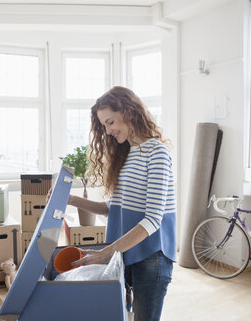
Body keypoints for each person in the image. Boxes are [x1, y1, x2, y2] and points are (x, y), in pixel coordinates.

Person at [68, 86, 176, 321]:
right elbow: (112, 209)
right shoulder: (126, 154)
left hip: (152, 257)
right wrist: (72, 200)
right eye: (104, 126)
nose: (107, 131)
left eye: (110, 122)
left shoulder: (156, 152)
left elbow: (153, 219)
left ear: (128, 112)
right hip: (126, 252)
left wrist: (105, 253)